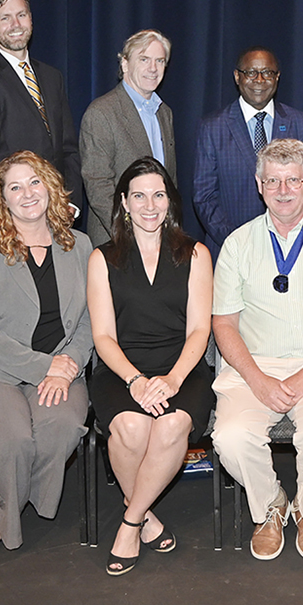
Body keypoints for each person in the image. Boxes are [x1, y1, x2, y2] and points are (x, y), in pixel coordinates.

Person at [211, 139, 303, 561]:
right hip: (251, 368)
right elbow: (223, 324)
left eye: (293, 180)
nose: (283, 190)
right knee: (230, 437)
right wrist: (257, 380)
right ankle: (271, 505)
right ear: (259, 185)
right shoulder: (237, 245)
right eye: (272, 180)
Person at [0, 152, 93, 551]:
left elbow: (90, 322)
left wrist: (70, 365)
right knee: (14, 441)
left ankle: (0, 498)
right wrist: (46, 366)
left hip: (62, 365)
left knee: (61, 428)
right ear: (3, 200)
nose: (27, 193)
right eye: (15, 187)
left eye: (34, 182)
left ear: (49, 186)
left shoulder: (79, 246)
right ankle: (6, 521)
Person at [88, 158, 214, 575]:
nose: (149, 205)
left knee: (172, 426)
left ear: (170, 202)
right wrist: (136, 381)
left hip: (183, 368)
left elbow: (199, 330)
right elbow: (103, 336)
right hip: (122, 369)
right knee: (130, 427)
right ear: (123, 202)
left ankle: (129, 522)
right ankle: (146, 516)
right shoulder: (101, 258)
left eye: (158, 195)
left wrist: (173, 379)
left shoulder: (195, 254)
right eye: (138, 195)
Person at [0, 0, 82, 211]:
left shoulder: (52, 76)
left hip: (59, 212)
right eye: (5, 18)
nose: (16, 25)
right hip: (11, 216)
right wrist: (28, 206)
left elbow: (68, 149)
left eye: (21, 15)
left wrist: (70, 202)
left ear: (31, 18)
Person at [193, 46, 303, 259]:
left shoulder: (300, 123)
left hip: (292, 250)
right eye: (250, 72)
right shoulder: (213, 127)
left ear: (277, 77)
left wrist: (295, 238)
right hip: (231, 251)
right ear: (237, 77)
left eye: (267, 73)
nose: (259, 79)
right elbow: (204, 197)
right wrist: (239, 242)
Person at [80, 30, 177, 246]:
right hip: (117, 240)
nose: (153, 68)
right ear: (125, 64)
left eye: (159, 61)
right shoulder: (102, 112)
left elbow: (169, 181)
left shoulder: (164, 113)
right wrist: (130, 233)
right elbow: (97, 185)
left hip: (160, 237)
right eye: (144, 60)